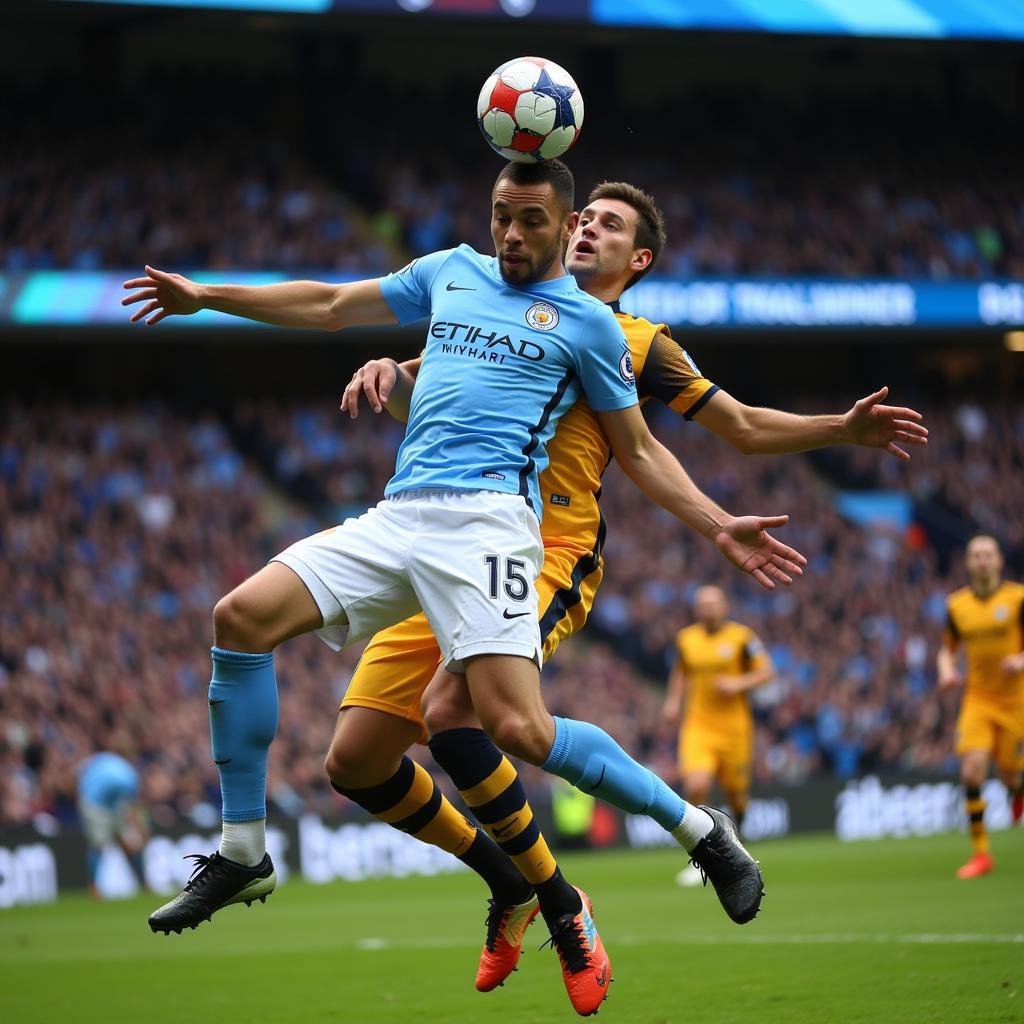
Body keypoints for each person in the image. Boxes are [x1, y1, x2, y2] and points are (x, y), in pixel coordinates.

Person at [123, 159, 805, 1016]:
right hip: (403, 514)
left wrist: (717, 524)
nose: (514, 233)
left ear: (565, 233)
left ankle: (694, 834)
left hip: (497, 532)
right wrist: (209, 298)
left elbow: (642, 450)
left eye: (535, 221)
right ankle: (245, 851)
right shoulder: (453, 274)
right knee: (247, 624)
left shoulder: (600, 330)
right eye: (501, 216)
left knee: (502, 723)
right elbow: (333, 304)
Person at [326, 180, 928, 985]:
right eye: (586, 219)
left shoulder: (639, 342)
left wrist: (838, 430)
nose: (587, 231)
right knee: (355, 762)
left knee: (454, 709)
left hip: (545, 549)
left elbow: (739, 425)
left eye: (610, 226)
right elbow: (426, 392)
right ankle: (511, 883)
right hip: (441, 542)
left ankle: (683, 838)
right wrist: (384, 370)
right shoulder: (497, 301)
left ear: (638, 258)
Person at [662, 585, 774, 887]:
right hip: (698, 725)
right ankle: (702, 854)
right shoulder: (687, 639)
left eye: (713, 603)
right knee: (696, 783)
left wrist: (737, 684)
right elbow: (681, 671)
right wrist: (674, 701)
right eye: (703, 604)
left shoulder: (742, 637)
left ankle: (740, 839)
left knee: (736, 793)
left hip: (734, 728)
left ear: (724, 606)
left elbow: (766, 672)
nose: (708, 609)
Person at [937, 534, 1024, 879]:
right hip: (977, 699)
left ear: (1000, 561)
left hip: (1016, 701)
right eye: (977, 555)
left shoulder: (1017, 598)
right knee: (972, 771)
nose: (983, 560)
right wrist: (946, 671)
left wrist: (1021, 660)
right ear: (968, 563)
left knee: (1010, 775)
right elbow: (947, 649)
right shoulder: (957, 605)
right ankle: (981, 854)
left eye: (989, 554)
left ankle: (1016, 790)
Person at [77, 751, 148, 898]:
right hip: (94, 805)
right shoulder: (130, 780)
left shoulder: (107, 759)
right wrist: (142, 831)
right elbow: (133, 811)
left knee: (126, 845)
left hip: (106, 803)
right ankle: (94, 887)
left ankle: (143, 882)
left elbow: (79, 770)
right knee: (99, 845)